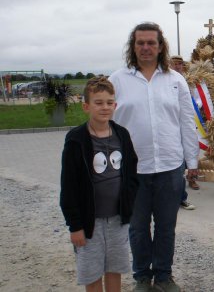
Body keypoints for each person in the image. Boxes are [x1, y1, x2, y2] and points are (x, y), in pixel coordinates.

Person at [109, 22, 199, 292]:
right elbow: (108, 124)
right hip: (132, 169)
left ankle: (163, 276)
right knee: (137, 228)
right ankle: (141, 277)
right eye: (140, 43)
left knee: (165, 227)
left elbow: (186, 121)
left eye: (151, 42)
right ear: (133, 47)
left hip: (170, 166)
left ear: (161, 47)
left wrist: (192, 161)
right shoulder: (118, 80)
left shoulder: (175, 80)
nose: (146, 47)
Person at [60, 76, 139, 292]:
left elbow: (131, 173)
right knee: (92, 272)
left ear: (115, 105)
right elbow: (69, 187)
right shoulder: (76, 140)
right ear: (86, 106)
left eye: (109, 102)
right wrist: (75, 225)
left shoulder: (122, 134)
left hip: (117, 219)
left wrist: (129, 205)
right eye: (98, 102)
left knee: (114, 268)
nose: (105, 107)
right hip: (89, 223)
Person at [169, 55, 198, 211]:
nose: (179, 66)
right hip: (171, 131)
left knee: (182, 166)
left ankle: (183, 197)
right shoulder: (166, 79)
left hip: (190, 122)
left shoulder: (189, 80)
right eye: (176, 64)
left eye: (181, 64)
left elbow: (198, 99)